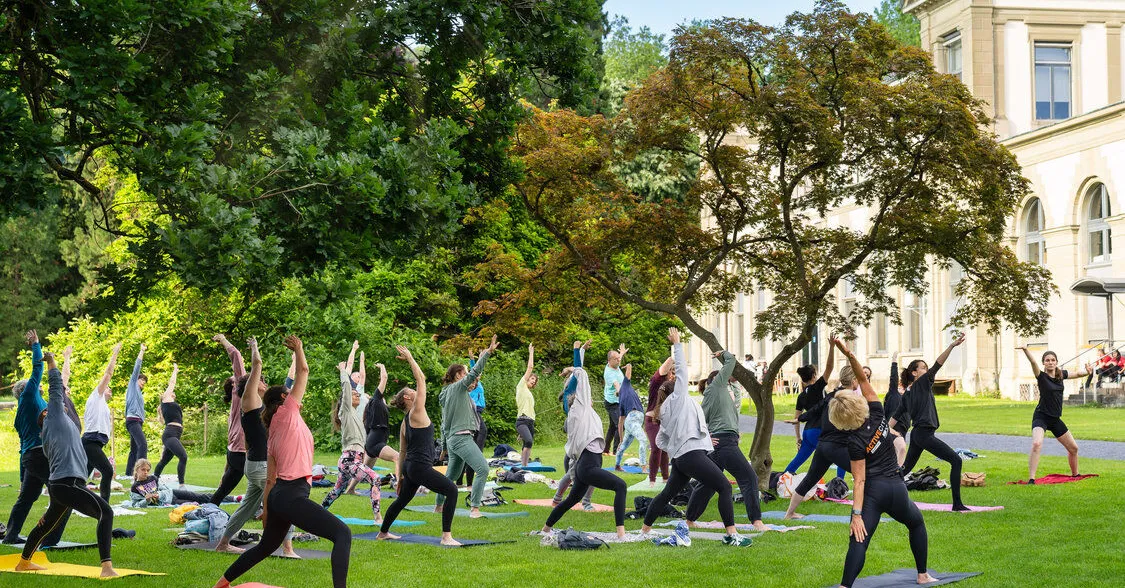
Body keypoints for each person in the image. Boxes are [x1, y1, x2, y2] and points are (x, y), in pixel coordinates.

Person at [213, 335, 352, 588]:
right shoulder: (287, 412)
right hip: (292, 495)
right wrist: (299, 349)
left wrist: (267, 510)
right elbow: (304, 371)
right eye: (288, 394)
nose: (294, 396)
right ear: (283, 401)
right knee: (343, 533)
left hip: (279, 495)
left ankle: (221, 583)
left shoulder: (274, 429)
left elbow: (270, 479)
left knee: (267, 545)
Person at [827, 336, 935, 588]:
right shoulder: (877, 413)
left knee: (859, 539)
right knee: (916, 523)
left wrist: (856, 514)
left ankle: (845, 586)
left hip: (874, 494)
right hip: (896, 488)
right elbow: (863, 380)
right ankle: (922, 575)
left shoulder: (853, 441)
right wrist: (849, 354)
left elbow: (860, 479)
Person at [638, 328, 753, 547]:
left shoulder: (666, 410)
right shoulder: (678, 399)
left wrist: (689, 441)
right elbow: (681, 372)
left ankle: (645, 530)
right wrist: (678, 344)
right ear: (677, 390)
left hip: (681, 458)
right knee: (724, 487)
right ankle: (731, 535)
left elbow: (662, 441)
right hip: (690, 455)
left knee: (667, 494)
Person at [15, 350, 118, 577]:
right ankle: (107, 568)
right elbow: (56, 388)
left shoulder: (59, 429)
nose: (59, 404)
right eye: (49, 407)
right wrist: (52, 362)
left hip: (61, 485)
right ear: (46, 414)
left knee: (46, 524)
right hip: (68, 483)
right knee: (106, 513)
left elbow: (62, 392)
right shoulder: (55, 419)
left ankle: (24, 562)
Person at [214, 337, 297, 556]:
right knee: (287, 499)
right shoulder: (248, 400)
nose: (263, 382)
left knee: (247, 507)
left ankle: (223, 543)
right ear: (249, 385)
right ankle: (287, 548)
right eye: (259, 381)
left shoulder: (262, 406)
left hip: (256, 465)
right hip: (259, 466)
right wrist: (254, 348)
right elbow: (256, 367)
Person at [376, 345, 461, 545]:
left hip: (410, 468)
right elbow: (421, 379)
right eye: (412, 391)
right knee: (452, 490)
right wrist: (411, 358)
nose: (416, 391)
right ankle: (446, 536)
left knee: (402, 500)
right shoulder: (416, 411)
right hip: (420, 467)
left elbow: (402, 452)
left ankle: (383, 532)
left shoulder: (406, 422)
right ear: (407, 397)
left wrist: (401, 477)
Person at [541, 353, 628, 540]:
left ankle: (545, 528)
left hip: (584, 465)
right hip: (588, 465)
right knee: (621, 486)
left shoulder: (577, 415)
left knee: (572, 499)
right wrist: (573, 369)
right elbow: (583, 377)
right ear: (578, 399)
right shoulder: (580, 409)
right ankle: (621, 533)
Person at [685, 350, 767, 531]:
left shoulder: (709, 398)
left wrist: (707, 438)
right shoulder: (717, 387)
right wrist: (724, 354)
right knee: (749, 478)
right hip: (724, 444)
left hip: (718, 444)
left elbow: (700, 423)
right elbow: (731, 363)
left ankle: (689, 519)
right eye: (726, 380)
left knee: (708, 483)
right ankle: (757, 521)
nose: (729, 381)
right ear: (718, 380)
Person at [4, 330, 71, 546]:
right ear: (27, 391)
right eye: (36, 385)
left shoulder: (29, 409)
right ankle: (50, 539)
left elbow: (23, 447)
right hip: (41, 456)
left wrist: (24, 475)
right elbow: (38, 369)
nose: (39, 384)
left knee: (26, 498)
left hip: (32, 458)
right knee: (64, 496)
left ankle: (11, 535)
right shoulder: (30, 397)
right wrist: (36, 345)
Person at [889, 334, 969, 511]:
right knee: (956, 461)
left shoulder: (907, 393)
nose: (926, 370)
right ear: (914, 373)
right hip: (923, 434)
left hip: (918, 434)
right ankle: (957, 504)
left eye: (926, 368)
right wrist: (952, 346)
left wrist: (886, 432)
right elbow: (938, 364)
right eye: (922, 368)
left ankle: (882, 490)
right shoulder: (923, 383)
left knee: (905, 468)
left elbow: (893, 419)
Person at [434, 335, 499, 518]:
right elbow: (474, 372)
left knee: (451, 476)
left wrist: (445, 447)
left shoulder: (449, 393)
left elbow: (444, 423)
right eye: (464, 373)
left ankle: (438, 506)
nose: (468, 376)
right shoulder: (456, 389)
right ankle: (475, 508)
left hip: (454, 439)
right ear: (458, 376)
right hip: (461, 437)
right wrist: (486, 353)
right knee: (483, 469)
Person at [784, 359, 856, 520]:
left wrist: (800, 418)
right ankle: (865, 511)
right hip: (837, 446)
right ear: (854, 380)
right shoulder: (850, 398)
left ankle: (789, 513)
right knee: (863, 474)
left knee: (811, 478)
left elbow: (815, 409)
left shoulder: (831, 395)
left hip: (823, 444)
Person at [322, 351, 382, 523]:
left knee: (337, 491)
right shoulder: (346, 411)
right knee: (375, 478)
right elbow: (347, 388)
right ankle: (378, 517)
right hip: (349, 460)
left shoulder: (356, 414)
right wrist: (343, 371)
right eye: (355, 395)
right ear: (347, 400)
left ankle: (318, 511)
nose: (357, 396)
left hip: (353, 459)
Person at [1018, 347, 1090, 483]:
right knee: (1036, 443)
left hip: (1055, 418)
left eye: (1052, 360)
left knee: (1074, 448)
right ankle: (1032, 479)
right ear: (1044, 363)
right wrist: (1026, 350)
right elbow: (1033, 362)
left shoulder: (1061, 374)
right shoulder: (1041, 376)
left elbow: (1078, 374)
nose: (1050, 362)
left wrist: (1087, 371)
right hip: (1041, 416)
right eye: (1047, 360)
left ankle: (1075, 475)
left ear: (1056, 362)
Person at [783, 341, 836, 476]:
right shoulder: (818, 387)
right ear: (813, 376)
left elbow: (797, 419)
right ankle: (838, 482)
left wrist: (798, 438)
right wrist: (831, 347)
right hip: (820, 430)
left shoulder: (801, 396)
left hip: (808, 432)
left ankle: (781, 479)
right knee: (840, 454)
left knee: (798, 460)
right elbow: (829, 367)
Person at [551, 342, 594, 509]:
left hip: (583, 440)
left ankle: (559, 498)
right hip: (578, 442)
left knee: (579, 472)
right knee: (580, 474)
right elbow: (579, 371)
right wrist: (576, 350)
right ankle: (584, 502)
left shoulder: (573, 397)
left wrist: (582, 350)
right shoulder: (572, 399)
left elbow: (578, 371)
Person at [209, 335, 247, 505]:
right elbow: (236, 356)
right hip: (241, 452)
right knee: (266, 484)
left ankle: (209, 508)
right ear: (234, 386)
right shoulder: (240, 393)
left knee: (223, 490)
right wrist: (224, 340)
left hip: (234, 452)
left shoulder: (238, 401)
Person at [82, 343, 122, 501]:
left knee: (80, 478)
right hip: (90, 441)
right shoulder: (95, 396)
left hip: (95, 443)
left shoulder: (103, 404)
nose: (109, 389)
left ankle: (69, 501)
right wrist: (115, 353)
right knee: (107, 471)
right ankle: (104, 504)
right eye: (108, 388)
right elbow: (108, 373)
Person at [152, 364, 188, 485]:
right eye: (170, 392)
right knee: (183, 457)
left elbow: (165, 421)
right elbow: (172, 383)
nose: (173, 393)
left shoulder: (169, 404)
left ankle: (153, 480)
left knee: (164, 461)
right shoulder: (165, 400)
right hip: (170, 434)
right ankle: (181, 484)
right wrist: (175, 371)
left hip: (174, 434)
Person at [361, 355, 397, 469]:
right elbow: (384, 378)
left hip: (373, 441)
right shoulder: (376, 400)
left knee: (364, 470)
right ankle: (401, 485)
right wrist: (382, 366)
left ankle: (350, 487)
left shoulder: (375, 409)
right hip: (376, 441)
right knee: (399, 457)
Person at [128, 459, 214, 506]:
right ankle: (216, 500)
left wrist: (159, 494)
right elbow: (136, 505)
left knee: (200, 496)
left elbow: (163, 488)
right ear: (137, 470)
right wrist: (146, 500)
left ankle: (222, 496)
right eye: (143, 470)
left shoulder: (153, 478)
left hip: (172, 492)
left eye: (148, 470)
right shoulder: (135, 487)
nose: (146, 472)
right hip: (168, 501)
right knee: (196, 503)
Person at [644, 355, 674, 487]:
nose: (672, 375)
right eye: (671, 372)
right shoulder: (657, 381)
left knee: (665, 449)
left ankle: (665, 478)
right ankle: (652, 479)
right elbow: (666, 365)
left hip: (664, 421)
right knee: (656, 447)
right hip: (652, 421)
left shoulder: (671, 387)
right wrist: (677, 346)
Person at [613, 364, 647, 471]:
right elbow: (630, 367)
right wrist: (627, 366)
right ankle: (644, 466)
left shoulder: (621, 399)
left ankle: (617, 465)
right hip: (633, 419)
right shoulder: (625, 386)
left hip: (631, 421)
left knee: (623, 447)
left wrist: (621, 439)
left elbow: (620, 422)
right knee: (643, 440)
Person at [123, 344, 149, 480]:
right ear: (136, 379)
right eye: (142, 379)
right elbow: (136, 368)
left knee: (134, 449)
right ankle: (141, 473)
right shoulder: (132, 385)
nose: (143, 382)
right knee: (143, 445)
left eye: (145, 381)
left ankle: (128, 473)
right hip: (132, 420)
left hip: (137, 421)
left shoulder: (139, 394)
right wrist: (142, 351)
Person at [515, 343, 539, 467]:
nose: (533, 381)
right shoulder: (521, 386)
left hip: (530, 422)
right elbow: (530, 367)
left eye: (534, 380)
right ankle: (523, 465)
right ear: (527, 379)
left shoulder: (529, 393)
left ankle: (525, 465)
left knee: (528, 443)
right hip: (522, 421)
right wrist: (531, 352)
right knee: (528, 441)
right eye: (531, 379)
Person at [883, 352, 908, 466]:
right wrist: (894, 361)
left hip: (903, 429)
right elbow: (893, 378)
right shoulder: (893, 393)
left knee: (898, 453)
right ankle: (897, 475)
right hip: (893, 428)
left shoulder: (909, 394)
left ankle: (896, 475)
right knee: (900, 450)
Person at [602, 344, 627, 455]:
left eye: (618, 358)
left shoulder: (614, 365)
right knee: (620, 425)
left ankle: (605, 450)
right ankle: (617, 451)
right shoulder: (609, 373)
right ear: (609, 360)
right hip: (613, 403)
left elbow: (618, 358)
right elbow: (616, 384)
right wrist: (619, 391)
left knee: (613, 426)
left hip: (617, 401)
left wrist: (621, 353)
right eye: (616, 359)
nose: (618, 361)